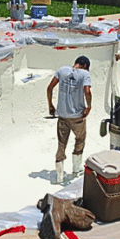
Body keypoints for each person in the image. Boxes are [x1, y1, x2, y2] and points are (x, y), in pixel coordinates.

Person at [47, 56, 92, 184]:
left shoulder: (62, 70)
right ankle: (76, 169)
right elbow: (87, 91)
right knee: (80, 139)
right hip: (77, 116)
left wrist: (50, 105)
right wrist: (88, 106)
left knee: (61, 144)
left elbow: (49, 88)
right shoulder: (85, 74)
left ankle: (59, 176)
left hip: (62, 116)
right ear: (84, 66)